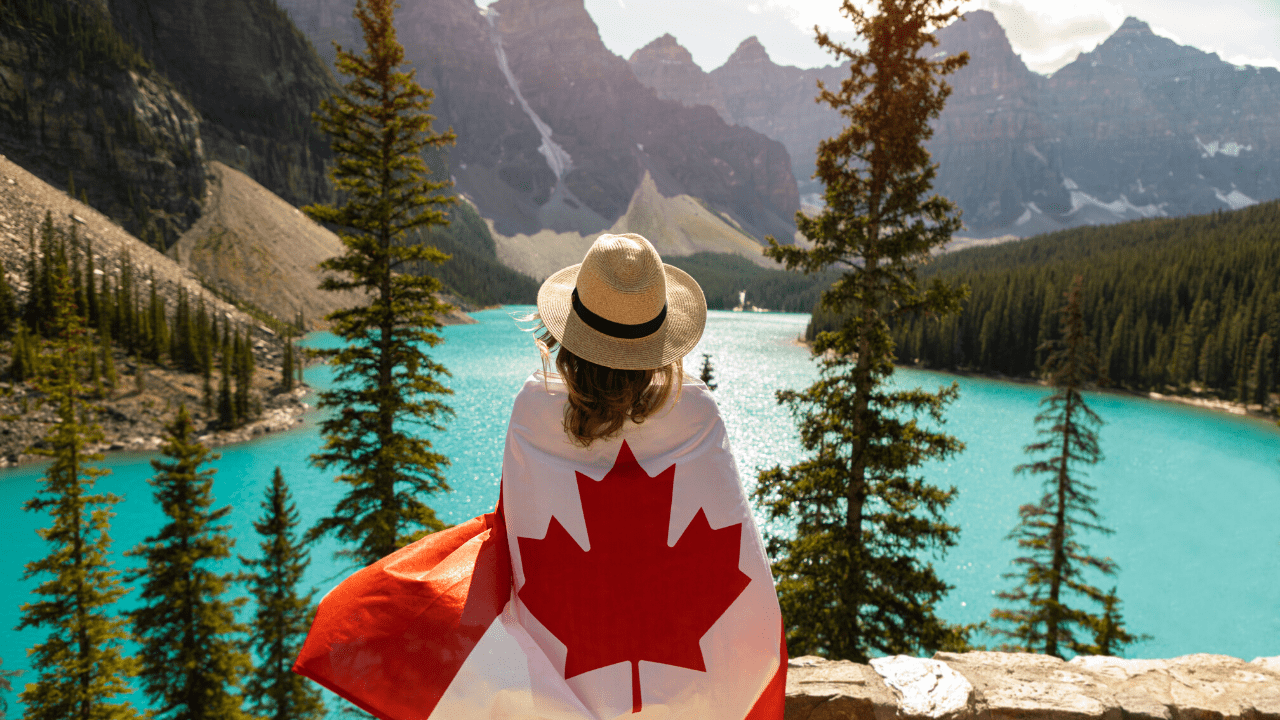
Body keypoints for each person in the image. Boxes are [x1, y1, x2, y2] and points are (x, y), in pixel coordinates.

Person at [295, 234, 785, 720]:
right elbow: (737, 544)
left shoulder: (534, 408)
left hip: (563, 684)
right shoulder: (696, 410)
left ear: (568, 337)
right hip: (687, 693)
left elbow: (516, 530)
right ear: (661, 342)